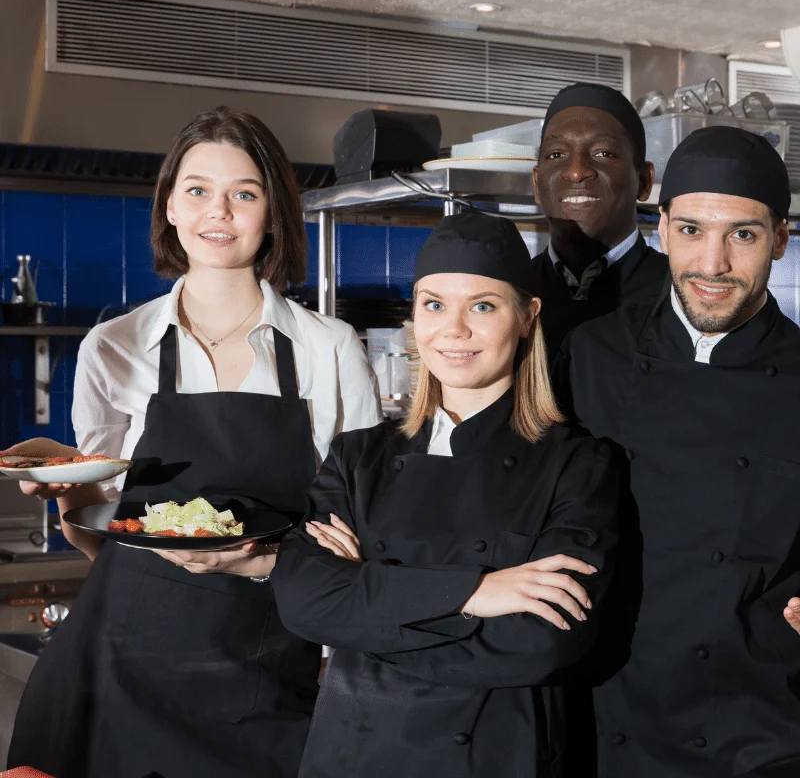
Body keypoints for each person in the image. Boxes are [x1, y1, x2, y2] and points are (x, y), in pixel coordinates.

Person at [4, 107, 382, 778]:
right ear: (171, 207)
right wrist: (68, 485)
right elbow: (102, 530)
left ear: (271, 213)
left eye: (244, 192)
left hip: (266, 659)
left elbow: (356, 521)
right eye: (198, 189)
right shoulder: (115, 345)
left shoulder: (328, 348)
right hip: (121, 657)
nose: (219, 211)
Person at [268, 210, 620, 778]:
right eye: (434, 304)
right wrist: (477, 590)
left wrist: (367, 595)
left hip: (495, 754)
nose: (453, 331)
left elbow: (544, 641)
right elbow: (304, 603)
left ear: (528, 316)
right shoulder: (358, 457)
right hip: (352, 754)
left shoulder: (576, 463)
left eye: (482, 305)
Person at [553, 125, 800, 777]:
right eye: (691, 230)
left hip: (754, 729)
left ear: (779, 237)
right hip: (600, 717)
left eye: (742, 234)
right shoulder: (587, 355)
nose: (713, 265)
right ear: (661, 228)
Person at [531, 82, 667, 362]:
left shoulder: (682, 296)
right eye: (556, 155)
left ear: (643, 181)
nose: (576, 171)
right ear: (536, 183)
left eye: (603, 153)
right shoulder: (512, 292)